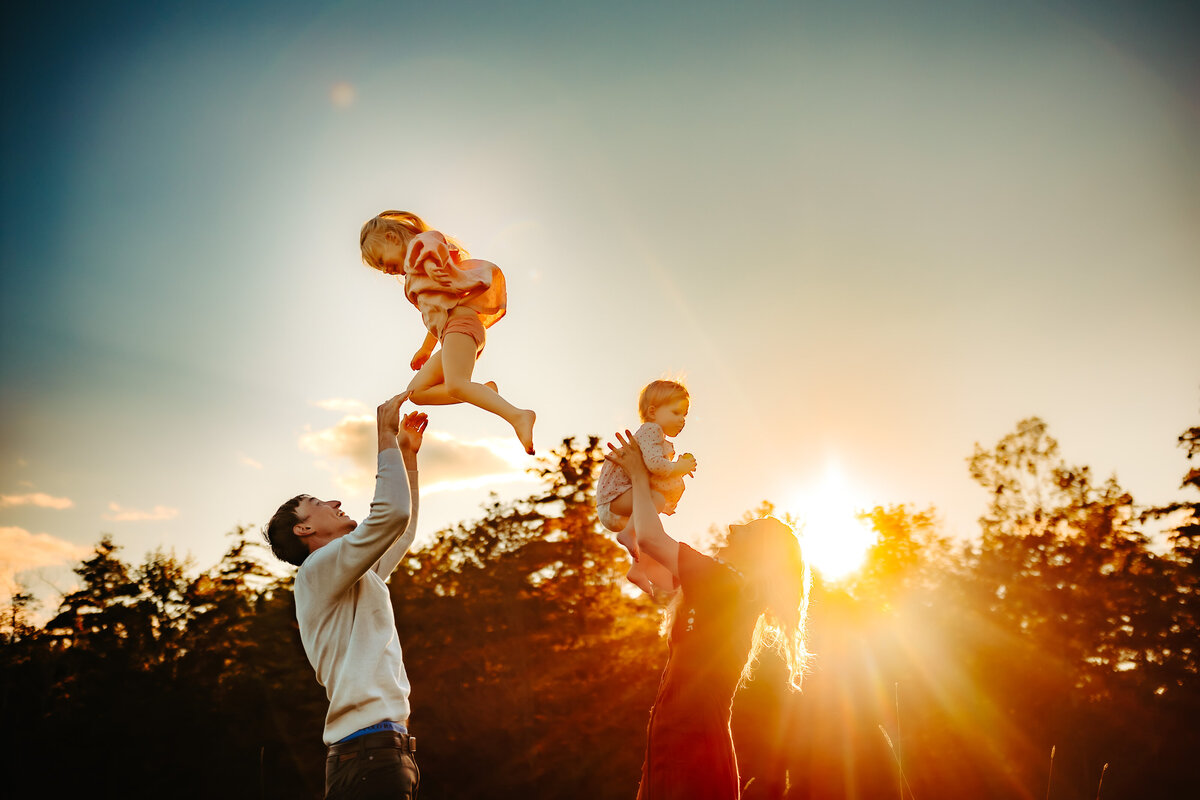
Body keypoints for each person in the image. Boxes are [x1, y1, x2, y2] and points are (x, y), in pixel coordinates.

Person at [605, 431, 812, 800]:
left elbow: (653, 542)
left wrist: (639, 476)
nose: (732, 528)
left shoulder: (725, 584)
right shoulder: (723, 588)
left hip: (691, 753)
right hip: (670, 748)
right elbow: (652, 562)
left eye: (745, 532)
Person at [264, 393, 427, 800]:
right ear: (303, 530)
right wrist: (384, 436)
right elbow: (391, 516)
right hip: (367, 755)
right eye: (318, 504)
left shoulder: (351, 575)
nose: (335, 502)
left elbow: (399, 531)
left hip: (382, 754)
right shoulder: (318, 572)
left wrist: (407, 457)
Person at [360, 210, 536, 455]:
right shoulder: (416, 271)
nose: (385, 271)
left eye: (381, 261)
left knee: (456, 384)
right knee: (416, 393)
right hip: (451, 332)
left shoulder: (421, 248)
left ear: (391, 238)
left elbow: (432, 247)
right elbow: (440, 313)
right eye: (380, 269)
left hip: (461, 326)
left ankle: (518, 416)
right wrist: (425, 348)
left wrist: (432, 267)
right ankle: (482, 392)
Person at [594, 380, 697, 595]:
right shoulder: (651, 430)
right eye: (677, 412)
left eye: (685, 415)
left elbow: (651, 469)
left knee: (651, 519)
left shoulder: (654, 435)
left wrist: (677, 466)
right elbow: (656, 466)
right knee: (657, 500)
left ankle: (639, 568)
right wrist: (679, 467)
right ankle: (628, 535)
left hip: (620, 503)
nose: (682, 420)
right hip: (615, 499)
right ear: (652, 411)